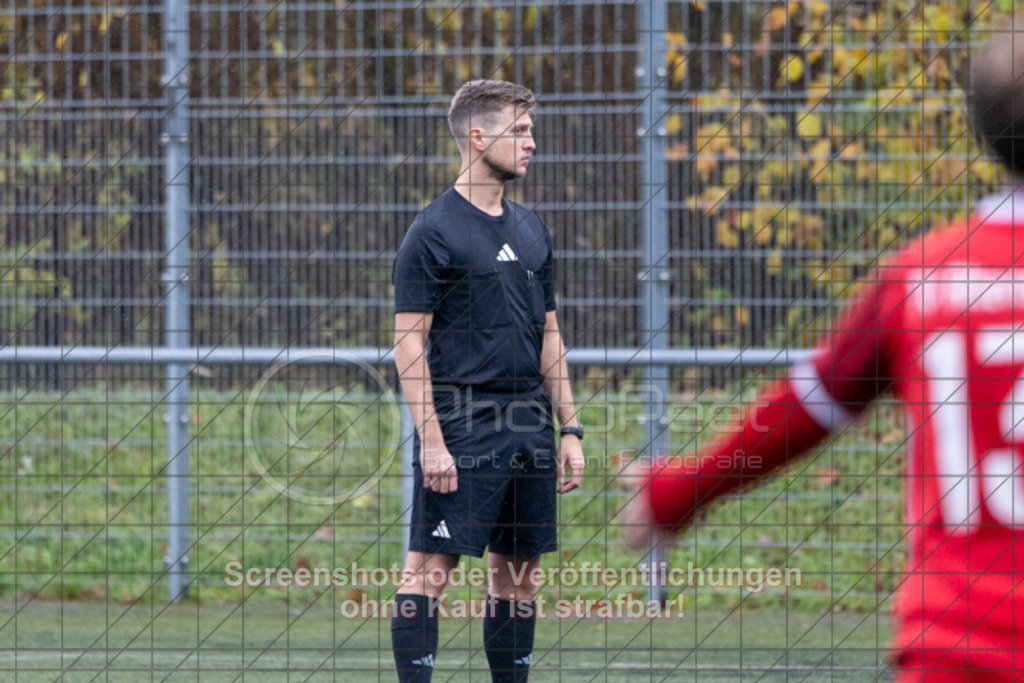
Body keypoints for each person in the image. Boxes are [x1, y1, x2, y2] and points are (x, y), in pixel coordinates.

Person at [620, 26, 1024, 682]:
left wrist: (679, 488)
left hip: (957, 646)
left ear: (980, 129)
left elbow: (806, 405)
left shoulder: (919, 278)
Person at [390, 79, 586, 682]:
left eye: (530, 129)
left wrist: (570, 428)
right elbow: (408, 344)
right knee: (428, 572)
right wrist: (432, 440)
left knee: (519, 575)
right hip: (462, 424)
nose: (532, 142)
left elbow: (549, 334)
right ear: (478, 136)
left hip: (528, 423)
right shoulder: (433, 231)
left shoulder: (532, 229)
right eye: (519, 130)